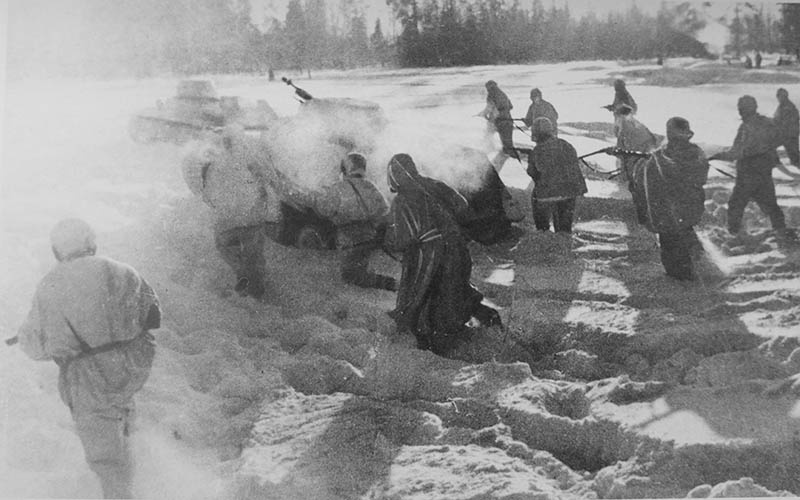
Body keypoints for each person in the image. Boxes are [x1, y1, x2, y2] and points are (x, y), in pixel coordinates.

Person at [16, 218, 161, 499]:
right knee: (121, 411)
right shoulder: (123, 270)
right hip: (133, 365)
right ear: (90, 243)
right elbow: (152, 315)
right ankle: (138, 465)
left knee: (105, 457)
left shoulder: (50, 285)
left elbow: (36, 346)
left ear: (57, 250)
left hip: (90, 379)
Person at [385, 153, 499, 355]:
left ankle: (426, 340)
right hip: (457, 246)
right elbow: (462, 205)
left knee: (420, 292)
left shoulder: (402, 200)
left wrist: (389, 241)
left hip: (429, 253)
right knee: (454, 288)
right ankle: (485, 317)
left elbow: (403, 237)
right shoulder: (435, 185)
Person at [266, 152, 397, 291]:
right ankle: (392, 285)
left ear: (344, 170)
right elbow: (384, 211)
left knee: (352, 276)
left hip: (350, 239)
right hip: (370, 237)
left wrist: (291, 189)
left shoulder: (339, 189)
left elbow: (323, 207)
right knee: (357, 271)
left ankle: (395, 285)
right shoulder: (371, 187)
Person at [187, 128, 276, 299]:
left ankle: (244, 280)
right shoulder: (251, 155)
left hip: (227, 220)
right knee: (254, 254)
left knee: (228, 249)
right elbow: (268, 177)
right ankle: (257, 290)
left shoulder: (211, 159)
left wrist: (213, 203)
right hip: (251, 217)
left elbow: (201, 186)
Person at [631, 118, 709, 281]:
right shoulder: (695, 152)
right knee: (685, 235)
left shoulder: (663, 154)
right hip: (687, 209)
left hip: (667, 211)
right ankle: (698, 266)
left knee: (672, 245)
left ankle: (682, 281)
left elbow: (657, 178)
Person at [709, 95, 787, 237]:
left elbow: (736, 152)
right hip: (762, 174)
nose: (740, 112)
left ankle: (734, 235)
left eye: (742, 108)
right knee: (770, 206)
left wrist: (716, 156)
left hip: (748, 175)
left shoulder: (750, 126)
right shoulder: (764, 123)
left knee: (736, 205)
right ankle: (783, 235)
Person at [526, 117, 588, 233]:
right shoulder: (566, 145)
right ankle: (564, 238)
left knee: (537, 200)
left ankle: (543, 232)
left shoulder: (537, 150)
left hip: (547, 195)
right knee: (564, 227)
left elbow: (532, 173)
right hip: (570, 192)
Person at [483, 80, 516, 155]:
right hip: (508, 120)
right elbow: (511, 106)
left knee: (488, 133)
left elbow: (489, 107)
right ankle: (511, 152)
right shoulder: (503, 94)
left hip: (498, 121)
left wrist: (484, 114)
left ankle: (490, 148)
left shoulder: (491, 94)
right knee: (508, 142)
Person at [773, 88, 800, 166]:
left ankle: (776, 163)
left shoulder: (788, 107)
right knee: (795, 156)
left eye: (779, 96)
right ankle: (776, 163)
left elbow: (783, 122)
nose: (778, 98)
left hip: (788, 135)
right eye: (778, 96)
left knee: (795, 157)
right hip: (788, 134)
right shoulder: (783, 106)